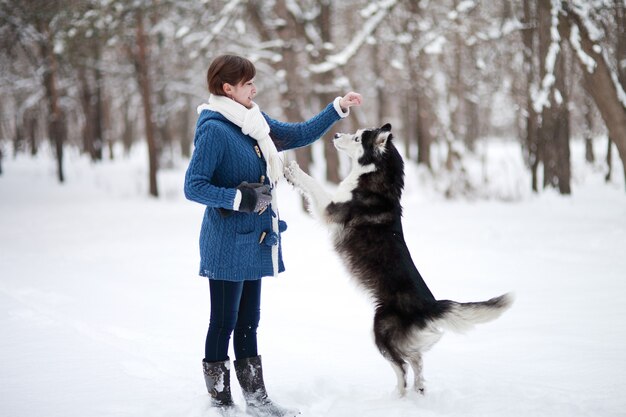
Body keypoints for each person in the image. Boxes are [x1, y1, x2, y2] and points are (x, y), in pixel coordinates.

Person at [184, 54, 362, 417]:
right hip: (226, 241)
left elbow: (296, 135)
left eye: (253, 81)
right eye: (247, 82)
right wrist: (238, 197)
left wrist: (337, 108)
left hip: (255, 238)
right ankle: (221, 402)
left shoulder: (253, 121)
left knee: (250, 321)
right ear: (227, 88)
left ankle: (257, 399)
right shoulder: (215, 128)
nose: (254, 88)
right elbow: (193, 186)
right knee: (224, 321)